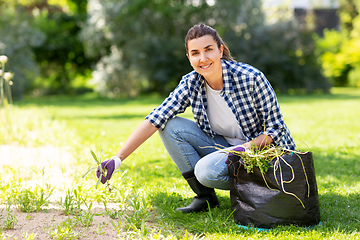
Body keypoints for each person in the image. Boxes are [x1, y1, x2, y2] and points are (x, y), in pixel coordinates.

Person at [96, 23, 296, 214]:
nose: (203, 58)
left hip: (265, 156)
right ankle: (205, 197)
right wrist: (117, 159)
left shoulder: (250, 77)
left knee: (206, 171)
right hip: (226, 147)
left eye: (208, 49)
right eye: (195, 53)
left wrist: (240, 151)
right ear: (189, 58)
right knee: (170, 126)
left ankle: (258, 189)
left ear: (220, 50)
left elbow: (274, 130)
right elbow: (155, 118)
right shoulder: (191, 83)